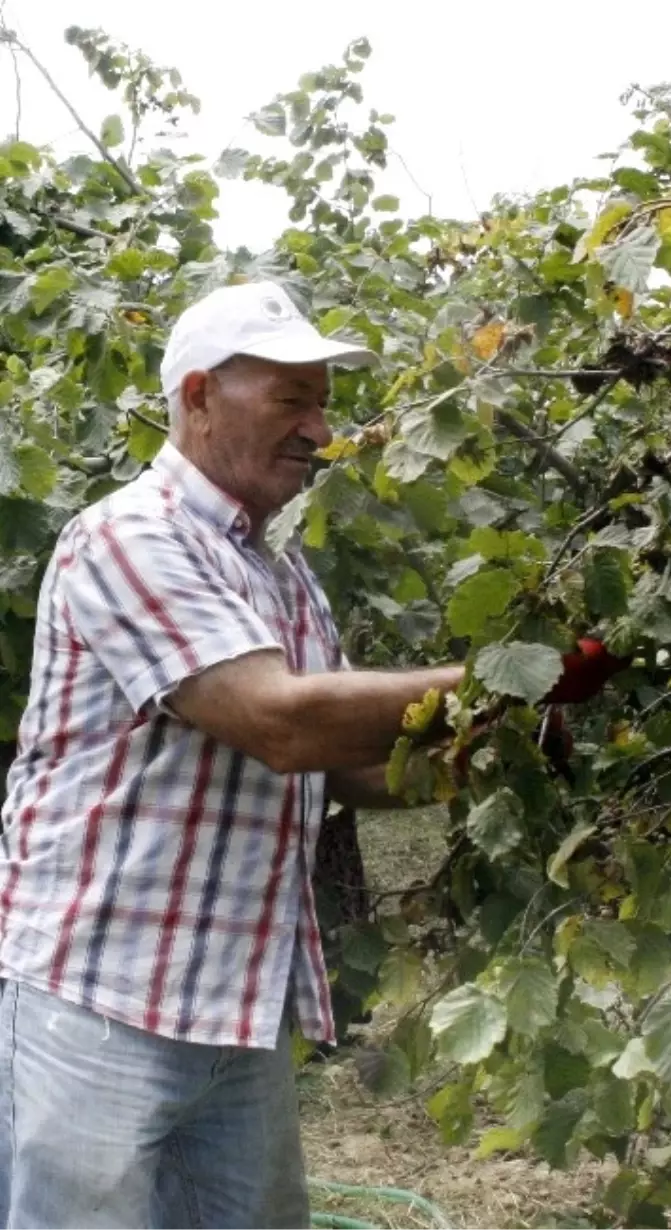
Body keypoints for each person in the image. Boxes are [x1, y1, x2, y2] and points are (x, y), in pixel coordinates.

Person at [0, 280, 468, 1229]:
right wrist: (500, 682)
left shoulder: (279, 570)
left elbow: (337, 765)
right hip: (98, 999)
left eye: (324, 402)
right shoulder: (130, 537)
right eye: (290, 399)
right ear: (201, 395)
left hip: (236, 1002)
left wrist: (496, 754)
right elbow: (279, 720)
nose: (321, 430)